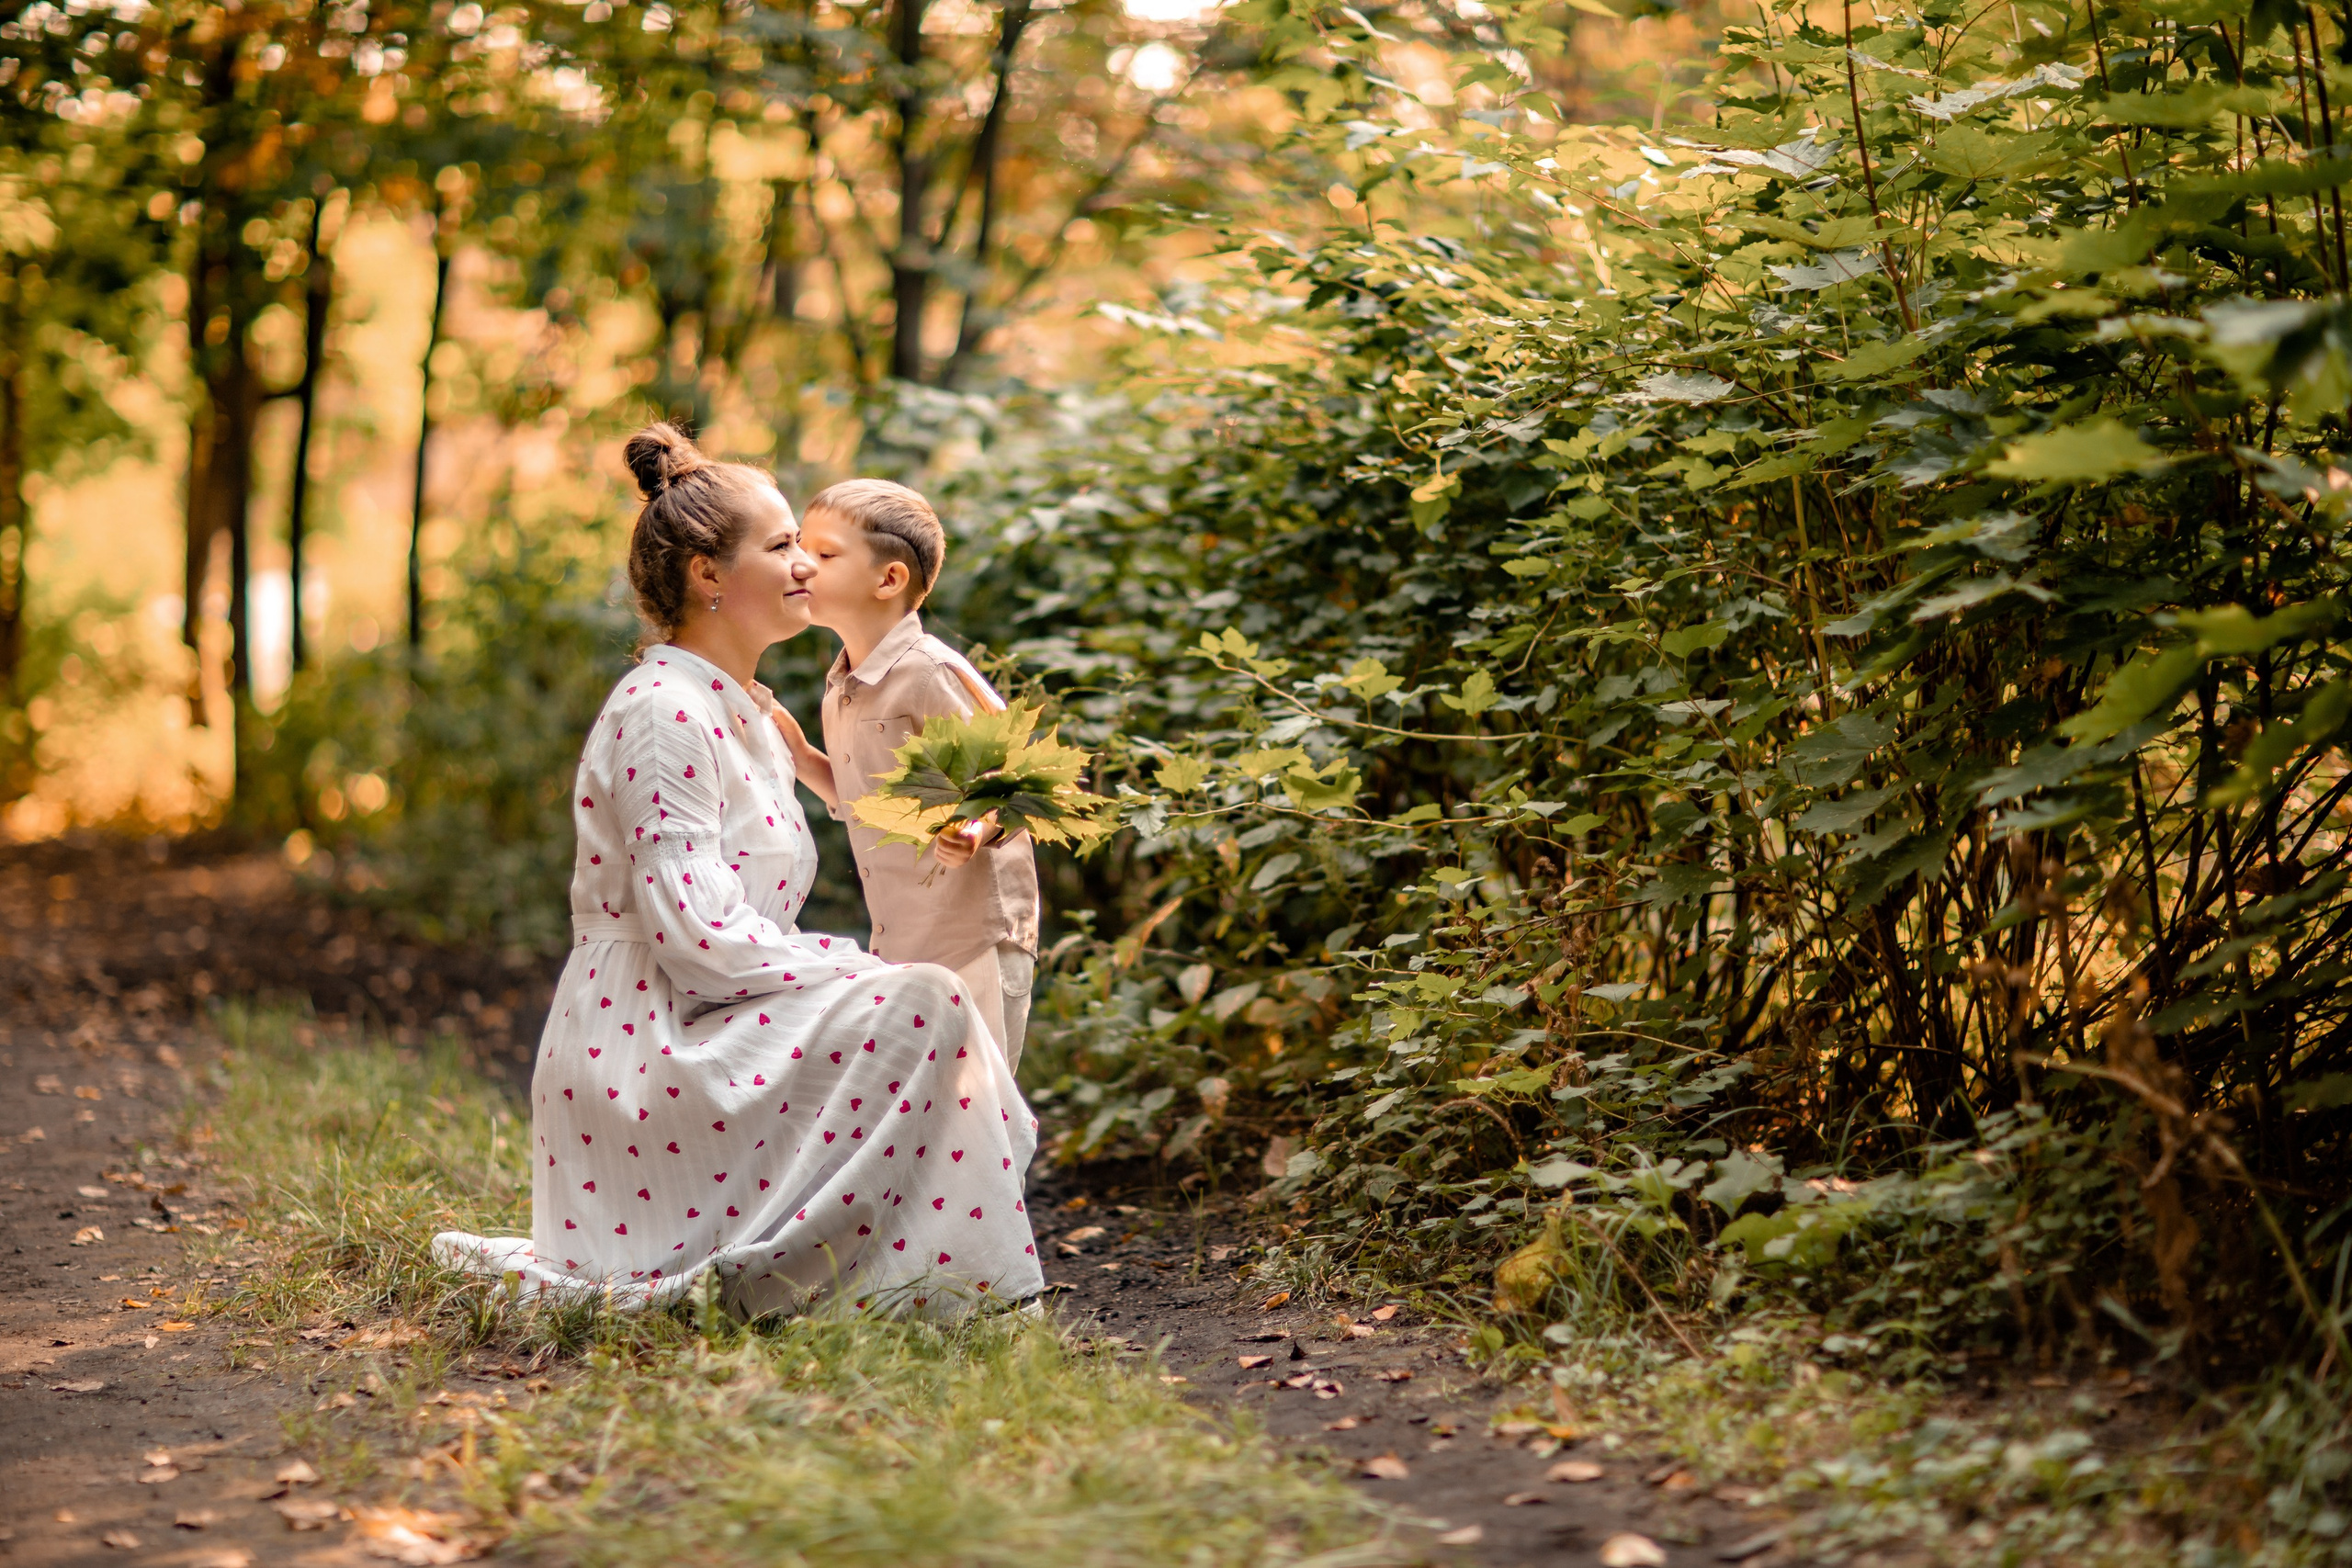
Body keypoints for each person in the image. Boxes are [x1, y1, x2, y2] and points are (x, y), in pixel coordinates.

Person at [432, 426, 1042, 1318]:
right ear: (709, 576)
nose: (805, 564)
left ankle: (925, 1289)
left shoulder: (748, 716)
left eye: (806, 544)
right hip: (646, 1043)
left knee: (924, 1001)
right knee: (920, 1002)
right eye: (783, 544)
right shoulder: (661, 710)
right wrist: (858, 971)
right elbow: (699, 939)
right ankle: (936, 1297)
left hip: (714, 1010)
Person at [768, 479, 1043, 1075]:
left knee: (980, 1116)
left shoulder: (929, 672)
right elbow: (863, 800)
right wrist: (795, 750)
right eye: (796, 547)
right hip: (903, 944)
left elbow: (1016, 780)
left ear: (888, 579)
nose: (800, 564)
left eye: (824, 553)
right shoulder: (842, 688)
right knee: (919, 1117)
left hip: (973, 936)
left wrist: (972, 829)